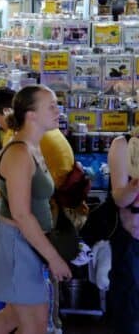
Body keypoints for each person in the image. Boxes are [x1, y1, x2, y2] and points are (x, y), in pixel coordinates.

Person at [0, 85, 72, 334]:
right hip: (15, 246)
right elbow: (21, 214)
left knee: (12, 316)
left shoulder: (32, 146)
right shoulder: (19, 152)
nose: (58, 111)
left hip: (24, 244)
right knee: (34, 325)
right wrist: (53, 258)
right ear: (31, 114)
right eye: (51, 106)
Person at [107, 130, 139, 333]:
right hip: (132, 244)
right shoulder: (123, 145)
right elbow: (120, 199)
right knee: (130, 315)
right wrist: (135, 183)